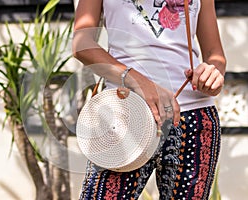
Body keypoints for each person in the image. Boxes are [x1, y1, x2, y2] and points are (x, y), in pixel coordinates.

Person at [73, 0, 226, 199]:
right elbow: (82, 44)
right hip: (125, 116)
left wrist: (212, 74)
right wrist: (139, 82)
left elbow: (215, 54)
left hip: (193, 119)